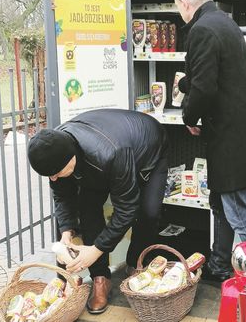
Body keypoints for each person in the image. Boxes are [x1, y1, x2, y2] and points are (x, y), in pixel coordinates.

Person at [171, 0, 246, 308]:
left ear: (184, 2)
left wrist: (189, 117)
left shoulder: (202, 29)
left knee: (243, 216)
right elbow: (215, 78)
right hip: (242, 135)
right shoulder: (224, 23)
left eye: (176, 4)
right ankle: (220, 264)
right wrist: (188, 85)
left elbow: (205, 88)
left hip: (232, 142)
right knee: (223, 205)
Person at [27, 108, 168, 315]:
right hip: (103, 153)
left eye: (57, 173)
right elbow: (63, 196)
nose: (54, 179)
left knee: (148, 211)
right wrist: (67, 231)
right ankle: (100, 279)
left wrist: (95, 249)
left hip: (149, 144)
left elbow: (126, 209)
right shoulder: (55, 148)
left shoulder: (113, 153)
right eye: (50, 176)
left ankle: (135, 263)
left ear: (71, 158)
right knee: (87, 208)